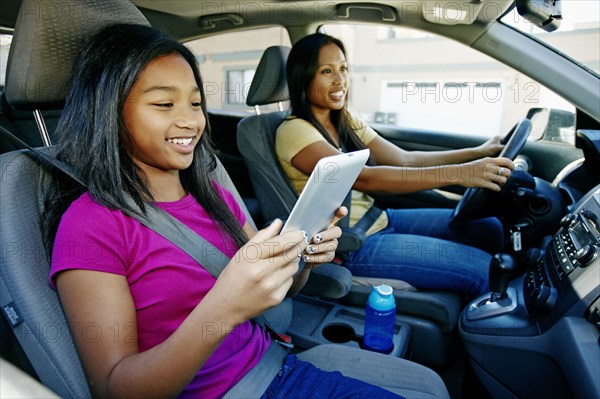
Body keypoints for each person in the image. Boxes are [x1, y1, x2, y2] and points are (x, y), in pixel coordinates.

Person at [43, 24, 407, 399]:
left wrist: (307, 258)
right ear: (110, 112)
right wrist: (224, 308)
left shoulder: (214, 194)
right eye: (165, 104)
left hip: (277, 364)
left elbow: (276, 292)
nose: (190, 120)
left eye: (196, 103)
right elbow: (114, 389)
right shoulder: (90, 226)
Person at [276, 33, 516, 299]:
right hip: (351, 243)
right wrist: (461, 174)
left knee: (489, 228)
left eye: (343, 68)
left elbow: (404, 159)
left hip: (378, 218)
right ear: (303, 76)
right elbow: (364, 179)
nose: (340, 79)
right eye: (326, 71)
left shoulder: (343, 119)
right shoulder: (294, 131)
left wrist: (478, 153)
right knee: (484, 271)